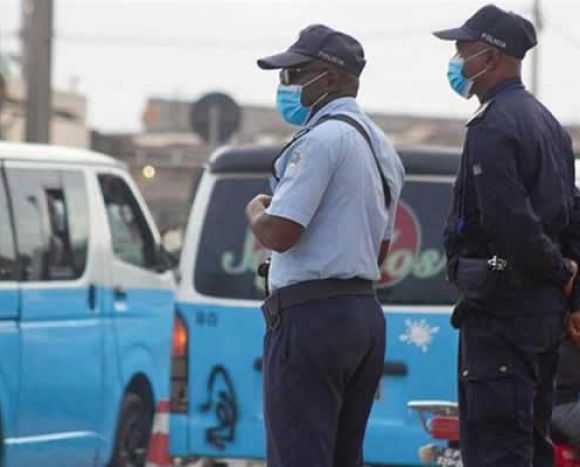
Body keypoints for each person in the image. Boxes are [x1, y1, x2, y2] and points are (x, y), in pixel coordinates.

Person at [246, 24, 405, 467]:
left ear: (330, 78)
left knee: (298, 454)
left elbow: (280, 232)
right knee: (342, 456)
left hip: (311, 318)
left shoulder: (320, 141)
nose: (286, 87)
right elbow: (379, 253)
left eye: (295, 75)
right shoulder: (382, 147)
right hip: (362, 315)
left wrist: (255, 210)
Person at [434, 4, 580, 466]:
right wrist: (569, 289)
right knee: (530, 444)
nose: (457, 64)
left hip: (503, 314)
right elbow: (574, 217)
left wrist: (559, 271)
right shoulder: (549, 126)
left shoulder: (494, 124)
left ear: (492, 57)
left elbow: (509, 222)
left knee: (497, 449)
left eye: (463, 52)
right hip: (540, 318)